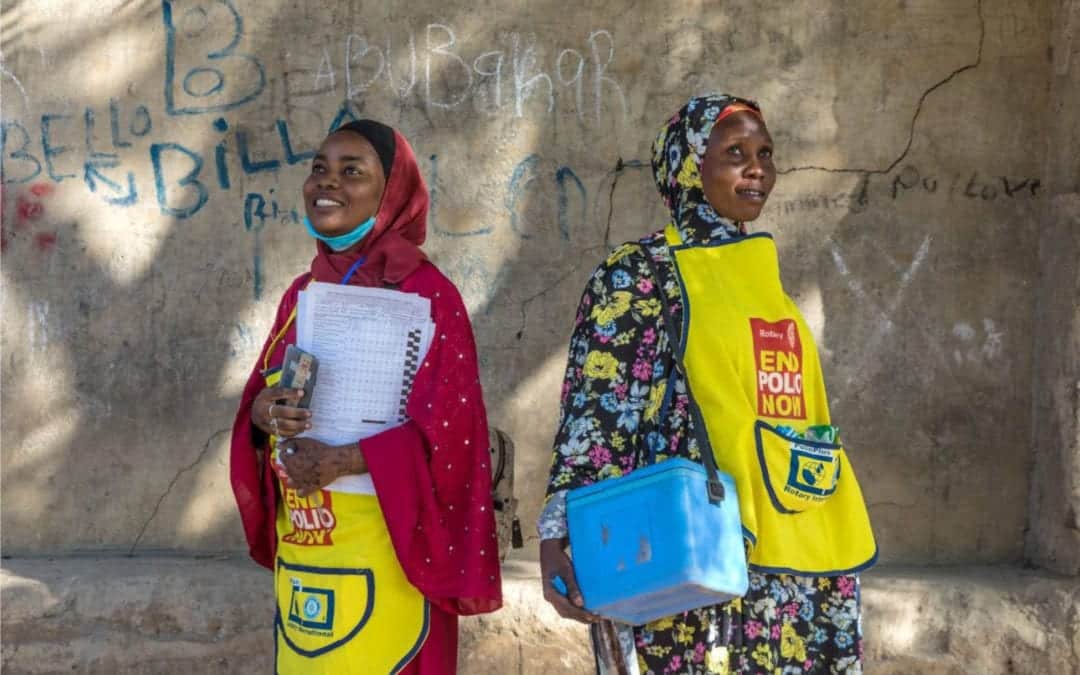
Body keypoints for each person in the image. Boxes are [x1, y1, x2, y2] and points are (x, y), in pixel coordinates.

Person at [539, 95, 876, 674]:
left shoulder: (765, 278)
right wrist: (559, 535)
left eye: (765, 153)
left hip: (797, 559)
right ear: (688, 165)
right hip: (692, 553)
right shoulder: (641, 273)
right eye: (735, 153)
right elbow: (600, 411)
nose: (758, 169)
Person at [230, 119, 502, 674]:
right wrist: (263, 412)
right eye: (319, 169)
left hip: (395, 539)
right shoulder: (302, 294)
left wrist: (347, 460)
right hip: (310, 537)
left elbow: (453, 437)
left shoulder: (429, 296)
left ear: (392, 190)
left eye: (352, 171)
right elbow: (262, 400)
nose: (327, 183)